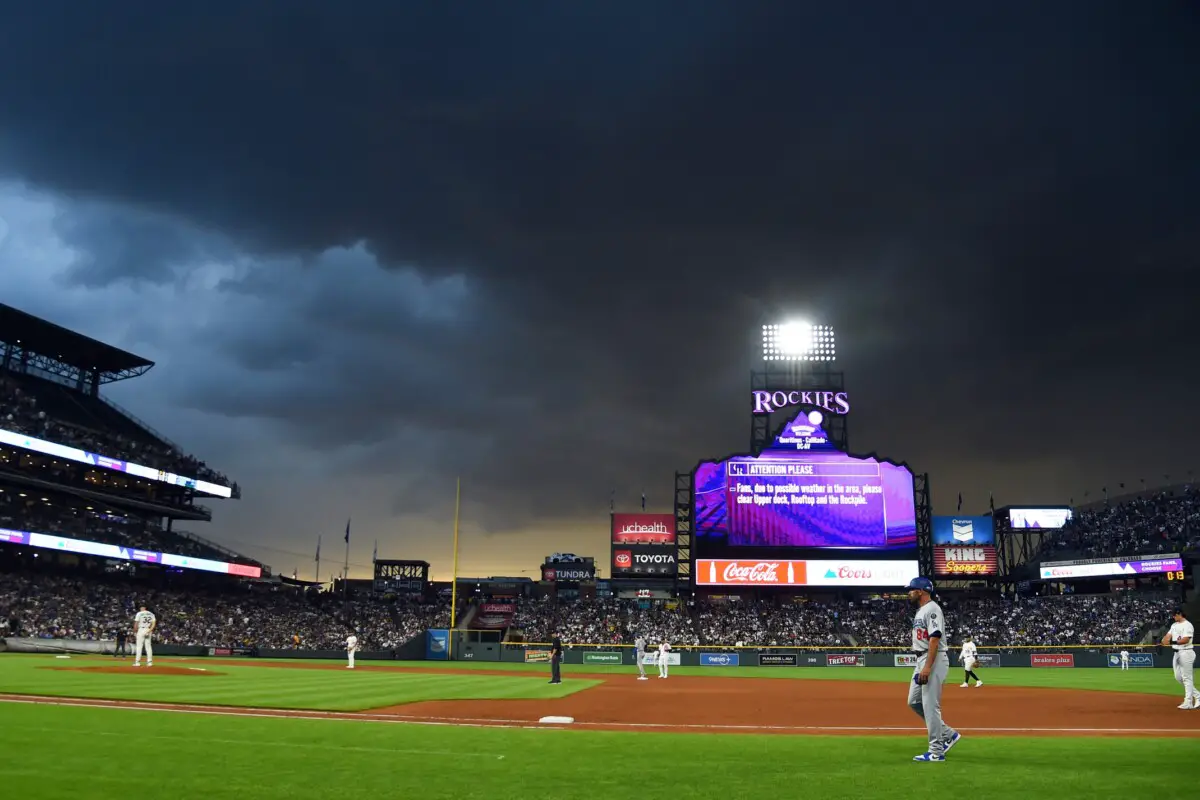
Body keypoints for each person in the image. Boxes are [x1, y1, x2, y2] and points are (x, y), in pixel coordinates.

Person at [906, 576, 961, 762]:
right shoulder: (922, 610)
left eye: (911, 589)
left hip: (933, 660)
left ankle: (936, 752)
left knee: (931, 706)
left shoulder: (932, 609)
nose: (909, 593)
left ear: (921, 591)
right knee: (913, 701)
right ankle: (949, 734)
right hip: (921, 659)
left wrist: (928, 667)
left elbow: (935, 638)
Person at [1160, 609, 1197, 710]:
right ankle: (1198, 696)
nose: (1173, 617)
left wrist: (1171, 642)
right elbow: (1168, 636)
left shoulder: (1187, 625)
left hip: (1186, 652)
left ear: (1180, 614)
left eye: (1175, 615)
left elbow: (1186, 639)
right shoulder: (1174, 625)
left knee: (1187, 678)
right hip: (1176, 653)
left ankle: (1188, 702)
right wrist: (1163, 641)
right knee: (1178, 677)